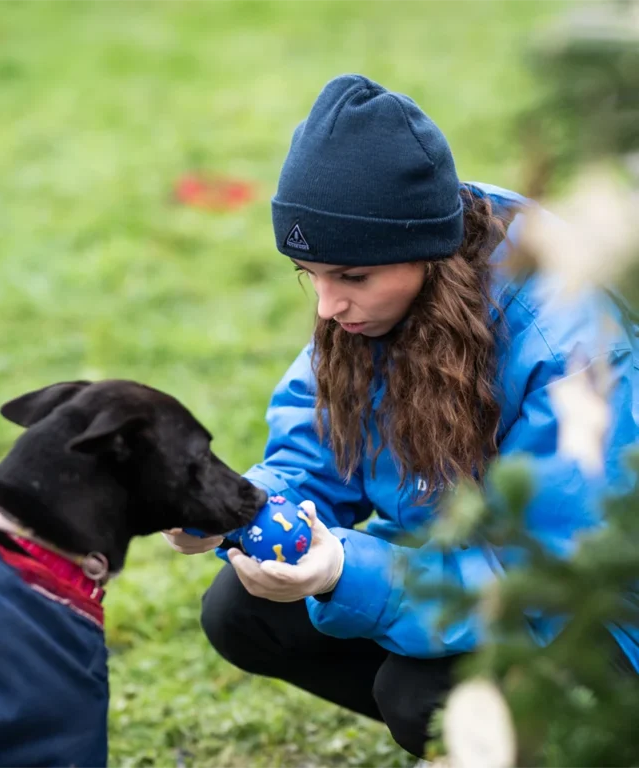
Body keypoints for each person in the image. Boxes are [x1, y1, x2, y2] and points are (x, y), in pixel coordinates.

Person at [162, 74, 639, 759]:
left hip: (601, 615)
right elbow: (314, 454)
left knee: (425, 696)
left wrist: (340, 572)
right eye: (310, 273)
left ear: (425, 253)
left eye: (350, 277)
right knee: (242, 612)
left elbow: (552, 572)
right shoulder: (370, 310)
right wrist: (234, 505)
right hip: (493, 573)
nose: (326, 306)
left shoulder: (565, 343)